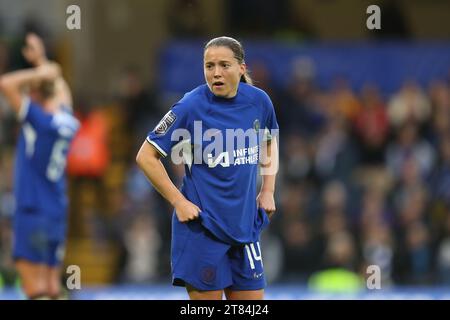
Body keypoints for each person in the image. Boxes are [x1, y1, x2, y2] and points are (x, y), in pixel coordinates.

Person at [136, 36, 279, 300]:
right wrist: (178, 201)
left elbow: (270, 141)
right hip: (203, 230)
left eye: (224, 65)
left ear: (242, 68)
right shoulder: (190, 106)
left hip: (245, 227)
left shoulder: (259, 102)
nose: (216, 73)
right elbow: (146, 156)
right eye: (209, 66)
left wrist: (268, 189)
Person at [0, 33, 79, 299]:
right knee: (52, 287)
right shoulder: (67, 121)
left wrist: (40, 72)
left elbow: (6, 84)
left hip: (32, 209)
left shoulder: (38, 120)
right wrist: (44, 64)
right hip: (56, 209)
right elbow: (62, 90)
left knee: (35, 290)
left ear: (35, 93)